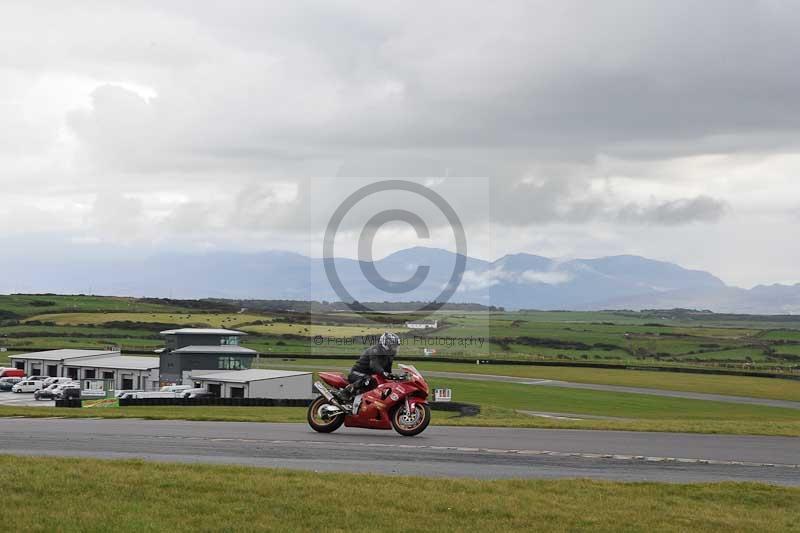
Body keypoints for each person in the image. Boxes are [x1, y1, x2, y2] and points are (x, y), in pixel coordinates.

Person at [334, 332, 401, 405]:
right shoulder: (375, 350)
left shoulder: (389, 356)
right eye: (393, 346)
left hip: (369, 376)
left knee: (383, 383)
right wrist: (383, 373)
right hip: (357, 373)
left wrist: (395, 378)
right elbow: (374, 366)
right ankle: (345, 392)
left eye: (396, 346)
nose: (395, 349)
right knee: (368, 379)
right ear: (385, 344)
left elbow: (388, 371)